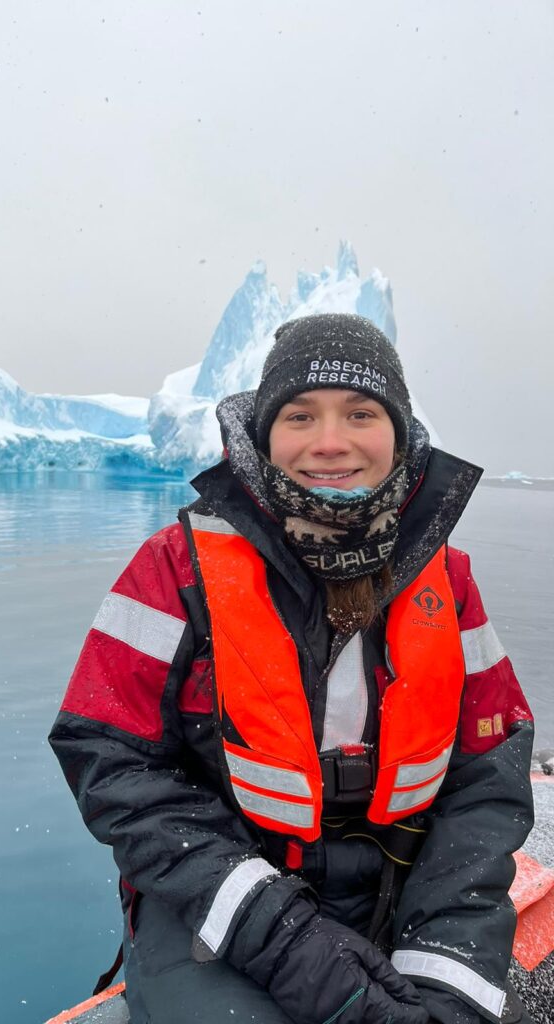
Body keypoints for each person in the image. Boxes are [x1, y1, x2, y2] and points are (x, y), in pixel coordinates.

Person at [49, 314, 535, 1024]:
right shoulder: (176, 569)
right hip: (222, 911)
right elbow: (108, 758)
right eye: (300, 415)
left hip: (401, 896)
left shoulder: (448, 583)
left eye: (360, 413)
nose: (329, 442)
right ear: (264, 435)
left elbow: (486, 776)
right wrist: (286, 940)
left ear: (398, 434)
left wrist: (447, 965)